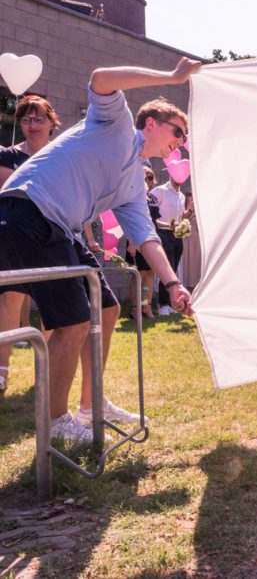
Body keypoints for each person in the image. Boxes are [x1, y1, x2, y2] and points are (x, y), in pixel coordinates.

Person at [0, 58, 199, 442]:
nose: (180, 141)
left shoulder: (134, 185)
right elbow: (101, 78)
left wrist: (174, 285)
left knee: (107, 307)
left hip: (59, 226)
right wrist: (172, 77)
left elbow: (147, 238)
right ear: (152, 123)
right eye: (178, 131)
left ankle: (92, 403)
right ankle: (55, 421)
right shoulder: (117, 123)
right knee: (72, 322)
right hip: (27, 210)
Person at [0, 96, 62, 396]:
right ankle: (1, 372)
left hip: (52, 235)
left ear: (52, 121)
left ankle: (46, 370)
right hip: (15, 236)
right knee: (10, 299)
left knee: (53, 303)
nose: (32, 125)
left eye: (38, 119)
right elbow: (12, 192)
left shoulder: (63, 156)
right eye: (26, 119)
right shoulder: (8, 155)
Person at [125, 165, 161, 318]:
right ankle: (135, 308)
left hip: (150, 238)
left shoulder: (152, 197)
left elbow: (155, 220)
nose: (148, 179)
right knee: (137, 275)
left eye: (150, 177)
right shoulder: (133, 196)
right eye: (145, 176)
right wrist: (132, 243)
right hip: (136, 239)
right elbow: (129, 220)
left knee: (149, 274)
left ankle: (146, 307)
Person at [152, 173, 191, 316]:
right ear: (171, 174)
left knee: (173, 270)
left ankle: (168, 303)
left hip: (176, 236)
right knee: (166, 270)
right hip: (163, 233)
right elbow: (150, 215)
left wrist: (189, 211)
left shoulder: (180, 195)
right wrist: (169, 225)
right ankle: (162, 304)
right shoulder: (160, 191)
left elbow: (181, 218)